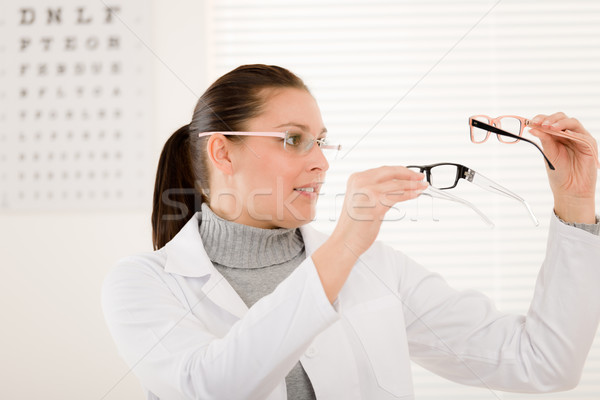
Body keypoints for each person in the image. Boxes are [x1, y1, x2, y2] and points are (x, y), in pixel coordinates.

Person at [102, 64, 600, 400]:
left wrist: (575, 204)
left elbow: (544, 363)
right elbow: (211, 387)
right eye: (293, 140)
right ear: (222, 152)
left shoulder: (377, 269)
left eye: (320, 141)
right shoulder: (144, 283)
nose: (320, 161)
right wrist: (344, 244)